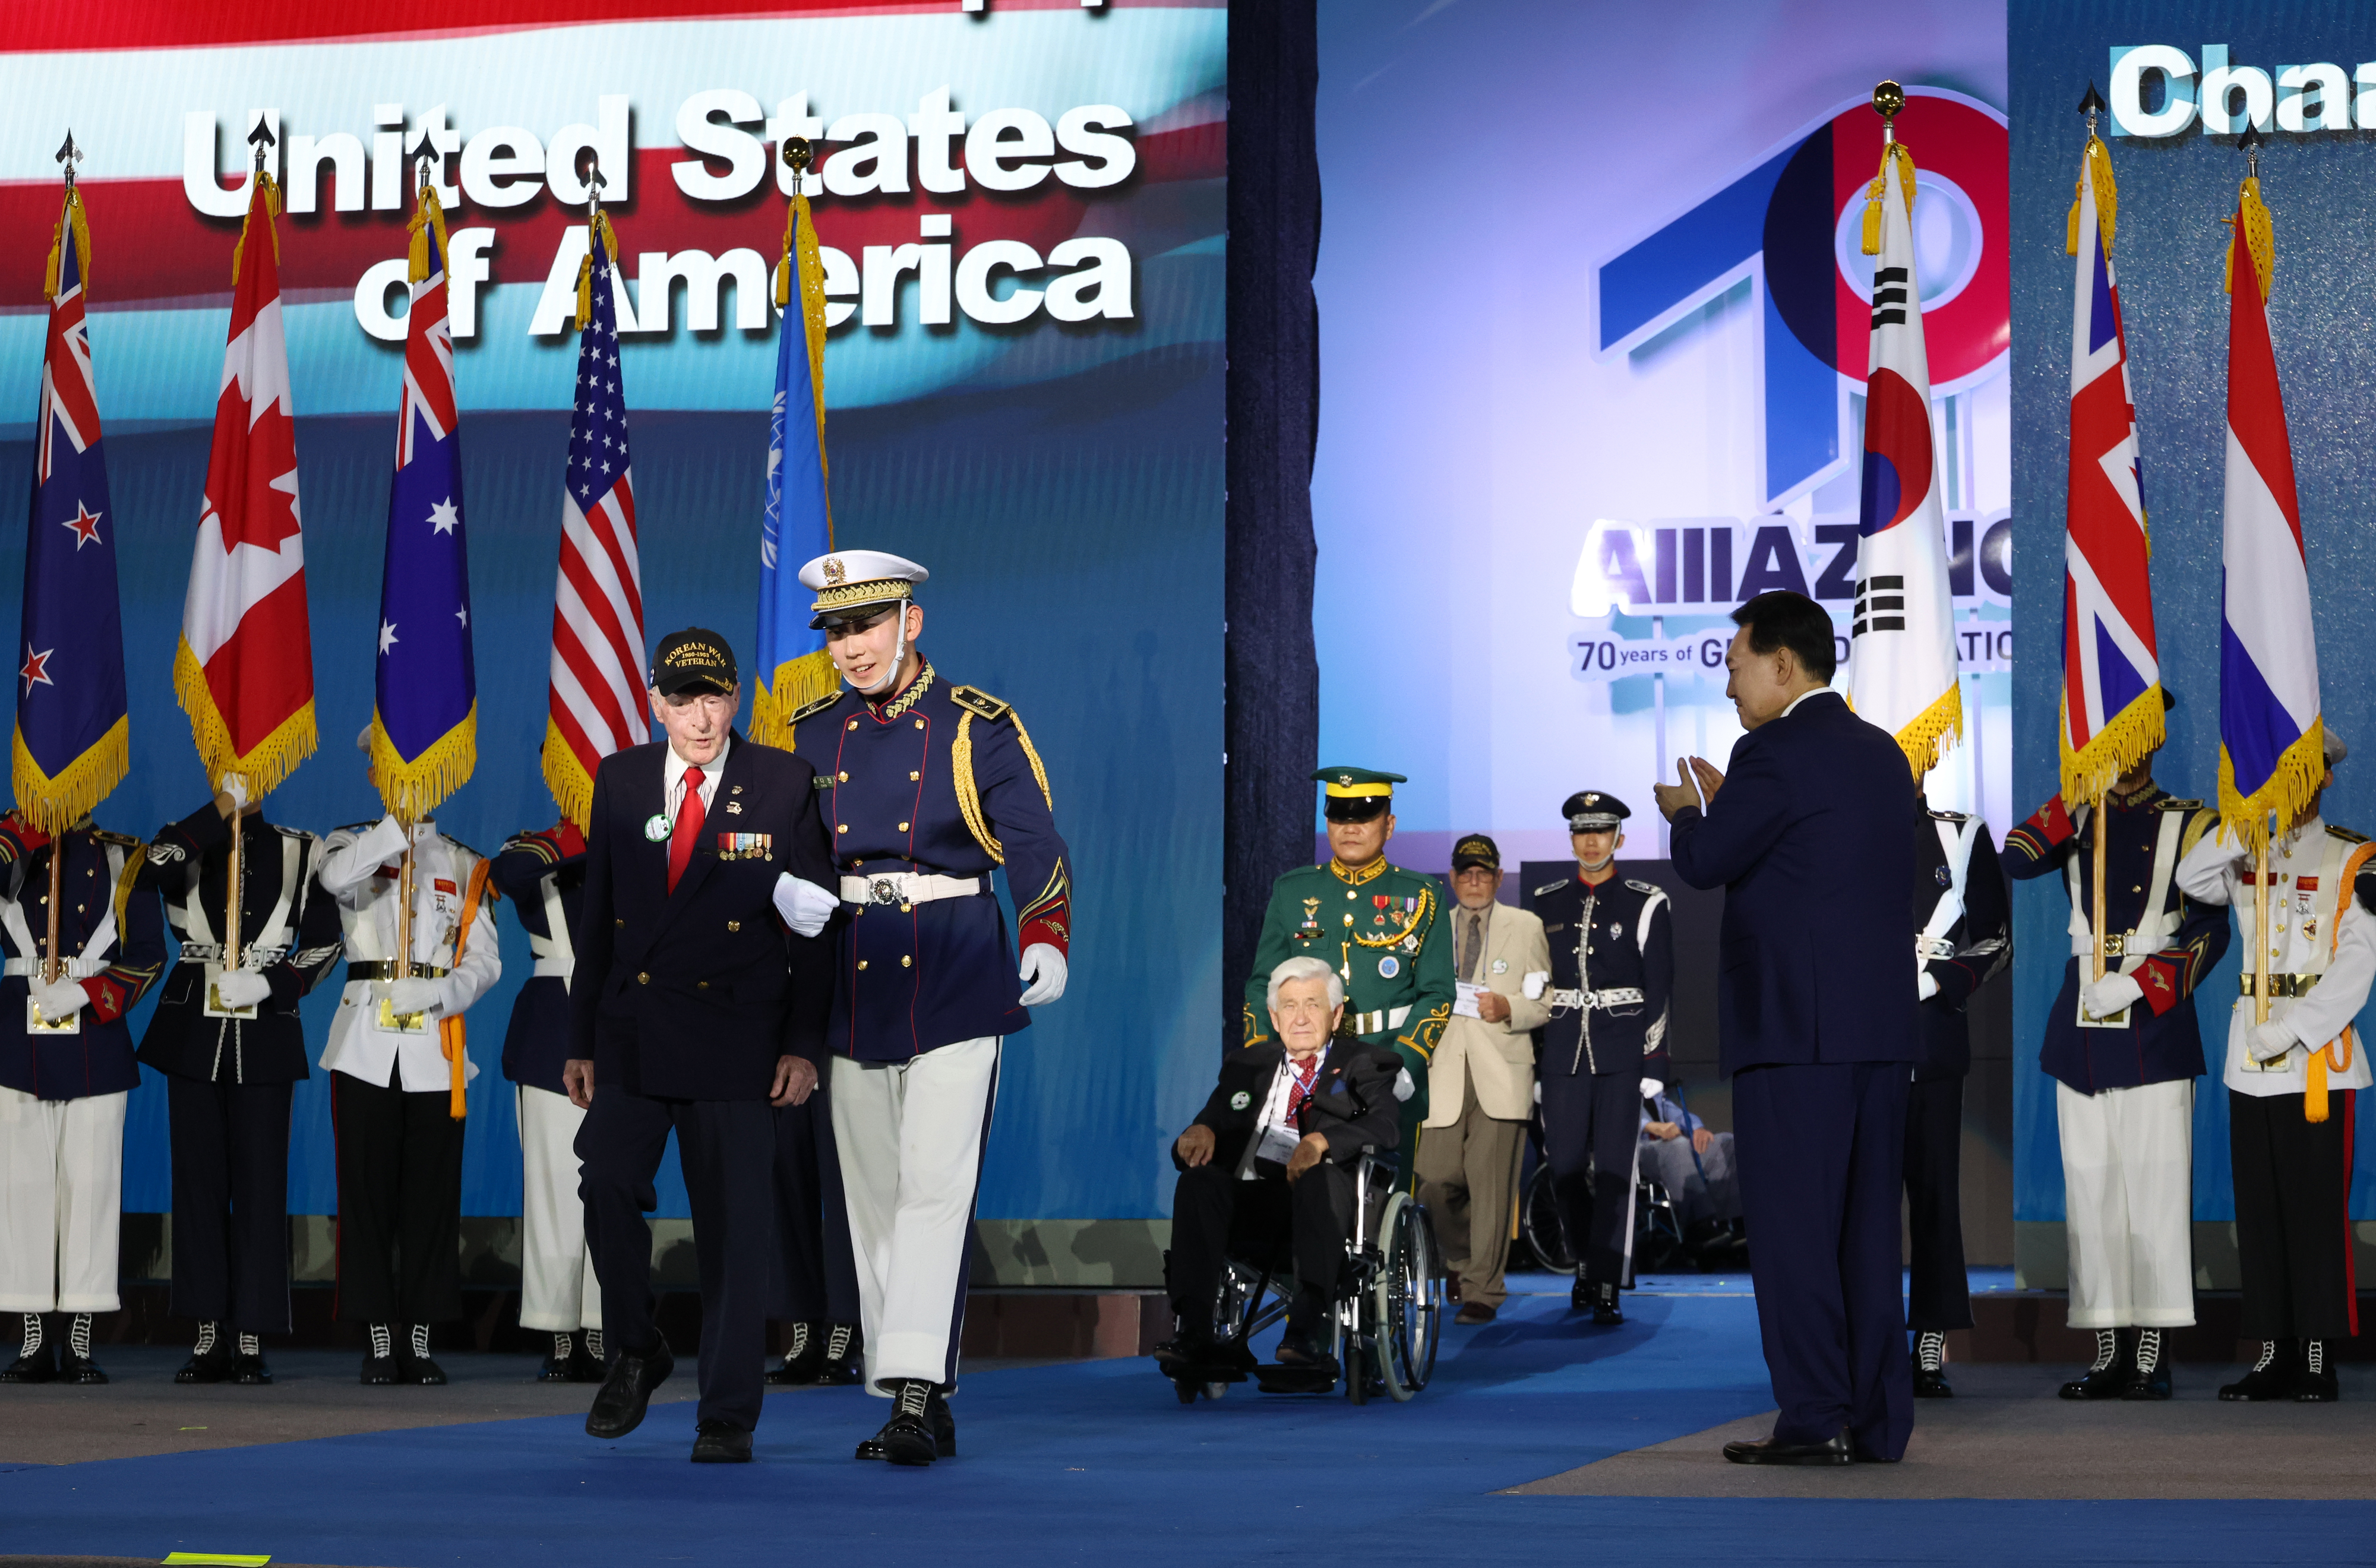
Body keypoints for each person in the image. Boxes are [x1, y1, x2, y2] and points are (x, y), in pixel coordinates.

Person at [783, 552, 1072, 1468]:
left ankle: (912, 1395)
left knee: (935, 1190)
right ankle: (914, 1384)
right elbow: (791, 852)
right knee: (871, 1203)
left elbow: (1032, 839)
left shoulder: (975, 723)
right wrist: (786, 894)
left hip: (953, 966)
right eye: (835, 631)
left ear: (912, 622)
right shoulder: (811, 731)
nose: (850, 648)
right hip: (852, 976)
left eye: (866, 626)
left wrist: (1046, 930)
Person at [1656, 589, 1919, 1466]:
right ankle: (1879, 1423)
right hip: (1879, 1035)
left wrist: (1691, 809)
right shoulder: (1883, 753)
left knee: (1796, 1232)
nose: (1730, 687)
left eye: (1735, 666)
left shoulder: (1768, 753)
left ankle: (1814, 1417)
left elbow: (1703, 863)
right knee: (1869, 1237)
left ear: (1780, 663)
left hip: (1793, 1036)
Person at [570, 628, 839, 1465]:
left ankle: (727, 1412)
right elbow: (598, 920)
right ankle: (637, 1346)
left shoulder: (783, 781)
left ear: (735, 700)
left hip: (737, 1033)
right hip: (633, 1029)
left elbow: (818, 927)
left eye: (715, 697)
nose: (700, 715)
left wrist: (803, 1045)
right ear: (656, 700)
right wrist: (582, 1036)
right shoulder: (617, 779)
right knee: (606, 1181)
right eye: (683, 699)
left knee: (734, 1229)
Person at [2002, 707, 2224, 1401]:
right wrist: (2075, 794)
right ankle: (2106, 1346)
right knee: (2092, 1187)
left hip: (2151, 1022)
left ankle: (2151, 1348)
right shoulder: (2078, 815)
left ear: (2154, 741)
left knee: (2154, 1188)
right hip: (2082, 1029)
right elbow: (2016, 858)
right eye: (2114, 736)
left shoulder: (2192, 823)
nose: (2127, 751)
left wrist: (2141, 986)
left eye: (2137, 736)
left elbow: (2209, 927)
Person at [2175, 729, 2368, 1404]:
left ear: (2324, 781)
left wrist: (2289, 1030)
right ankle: (2271, 1353)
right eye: (2284, 773)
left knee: (2314, 1212)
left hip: (2314, 1059)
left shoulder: (2354, 858)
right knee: (2259, 1212)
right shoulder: (2249, 846)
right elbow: (2190, 878)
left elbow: (2356, 966)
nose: (2297, 784)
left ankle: (2317, 1356)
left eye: (2303, 774)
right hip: (2249, 1061)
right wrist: (2247, 819)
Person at [138, 777, 341, 1386]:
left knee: (260, 1183)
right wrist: (218, 808)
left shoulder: (303, 849)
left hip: (266, 1024)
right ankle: (206, 1332)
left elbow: (325, 943)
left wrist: (275, 984)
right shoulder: (186, 839)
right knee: (198, 1185)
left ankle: (249, 1332)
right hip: (193, 1027)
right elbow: (152, 871)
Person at [317, 731, 503, 1388]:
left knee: (430, 1199)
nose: (404, 780)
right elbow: (337, 882)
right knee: (365, 1199)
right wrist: (396, 825)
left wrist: (445, 992)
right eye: (390, 768)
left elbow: (485, 960)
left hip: (432, 1046)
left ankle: (419, 1338)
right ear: (374, 773)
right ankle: (375, 1336)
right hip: (365, 1045)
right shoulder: (346, 844)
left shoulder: (463, 861)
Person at [1158, 956, 1403, 1384]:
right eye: (1289, 1006)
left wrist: (1321, 1141)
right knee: (1199, 1183)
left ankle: (1305, 1333)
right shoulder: (1246, 1066)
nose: (1301, 1017)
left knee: (1319, 1178)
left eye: (1313, 1004)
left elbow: (1384, 1127)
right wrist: (1197, 1130)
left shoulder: (1367, 1064)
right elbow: (1208, 1125)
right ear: (1274, 1016)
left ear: (1336, 1014)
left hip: (1325, 1207)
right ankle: (1195, 1332)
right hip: (1252, 1202)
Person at [0, 810, 163, 1385]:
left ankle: (80, 1333)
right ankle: (33, 1333)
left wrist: (91, 993)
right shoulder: (9, 844)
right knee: (22, 1188)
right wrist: (21, 838)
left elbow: (148, 952)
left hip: (93, 1028)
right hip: (19, 1034)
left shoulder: (124, 856)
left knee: (91, 1186)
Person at [1243, 767, 1449, 1183]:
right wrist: (1262, 1057)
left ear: (1389, 825)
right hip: (1305, 1063)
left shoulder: (1423, 895)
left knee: (1381, 1196)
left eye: (1364, 817)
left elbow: (1437, 992)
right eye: (1340, 816)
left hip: (1384, 1061)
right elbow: (1263, 983)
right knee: (1289, 1190)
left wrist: (1407, 1063)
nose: (1350, 828)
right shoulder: (1293, 891)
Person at [1527, 791, 1672, 1325]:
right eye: (1583, 831)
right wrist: (1536, 1058)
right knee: (1563, 1167)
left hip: (1621, 1052)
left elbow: (1659, 986)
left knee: (1615, 1170)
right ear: (1571, 839)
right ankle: (1586, 1261)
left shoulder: (1645, 900)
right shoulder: (1544, 901)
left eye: (1602, 831)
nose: (1592, 840)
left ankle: (1608, 1279)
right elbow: (1534, 985)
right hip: (1563, 1051)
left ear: (1620, 838)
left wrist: (1654, 1062)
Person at [1904, 786, 2010, 1398]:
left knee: (1936, 1202)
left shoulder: (1960, 834)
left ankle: (1928, 1345)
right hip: (1861, 1047)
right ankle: (1860, 1341)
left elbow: (1996, 939)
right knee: (1858, 1208)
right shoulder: (1841, 825)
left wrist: (1935, 983)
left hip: (1933, 1040)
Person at [1416, 834, 1549, 1326]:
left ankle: (1483, 1291)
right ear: (1452, 879)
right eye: (1466, 873)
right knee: (1435, 1179)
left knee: (1491, 1187)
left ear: (1498, 878)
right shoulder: (1429, 928)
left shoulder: (1526, 926)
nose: (1474, 881)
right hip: (1444, 1067)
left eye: (1484, 873)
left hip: (1501, 1068)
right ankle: (1460, 1261)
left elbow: (1544, 1002)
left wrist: (1508, 1006)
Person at [490, 815, 603, 1383]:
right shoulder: (534, 843)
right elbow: (510, 873)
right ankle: (561, 1329)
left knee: (617, 1185)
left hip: (625, 1016)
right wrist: (582, 834)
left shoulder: (649, 831)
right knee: (556, 1187)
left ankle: (609, 1326)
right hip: (553, 1023)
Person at [766, 1077, 863, 1388]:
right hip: (780, 1059)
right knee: (785, 1193)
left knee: (845, 1195)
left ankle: (845, 1329)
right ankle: (805, 1332)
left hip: (841, 1055)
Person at [1639, 1091, 1739, 1235]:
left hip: (1669, 1146)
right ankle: (1701, 1226)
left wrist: (1697, 1128)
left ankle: (1734, 1221)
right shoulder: (1612, 1085)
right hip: (1637, 1152)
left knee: (1726, 1142)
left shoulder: (1650, 1087)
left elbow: (1675, 1113)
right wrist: (1649, 1126)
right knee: (1678, 1146)